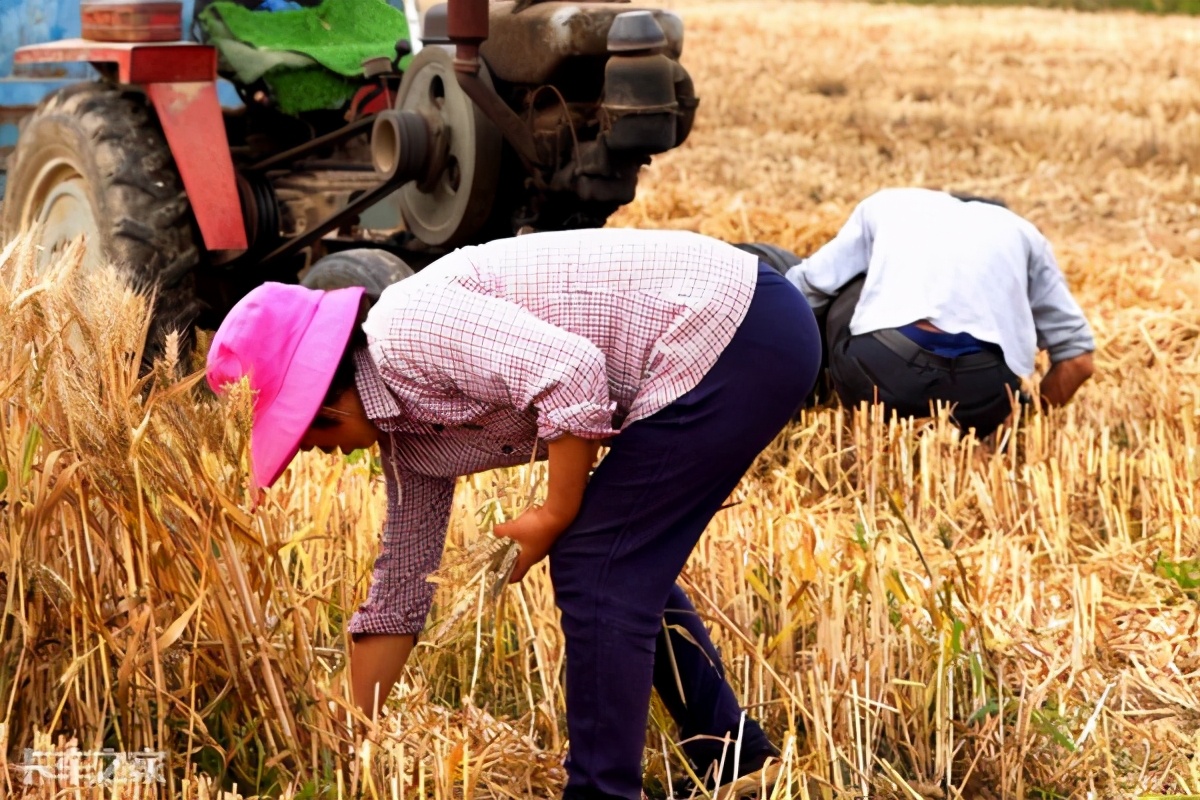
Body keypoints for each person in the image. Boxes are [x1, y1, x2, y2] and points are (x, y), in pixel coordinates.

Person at [205, 228, 823, 800]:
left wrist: (553, 514)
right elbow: (400, 591)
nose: (307, 451)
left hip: (733, 329)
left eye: (298, 436)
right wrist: (342, 742)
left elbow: (571, 374)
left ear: (321, 402)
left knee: (595, 563)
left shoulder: (405, 330)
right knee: (615, 561)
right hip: (731, 336)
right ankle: (736, 758)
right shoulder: (407, 442)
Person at [782, 188, 1096, 436]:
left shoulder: (889, 204)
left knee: (849, 285)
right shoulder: (1024, 233)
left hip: (876, 377)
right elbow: (1079, 360)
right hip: (982, 399)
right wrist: (1021, 425)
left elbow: (805, 286)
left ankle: (815, 402)